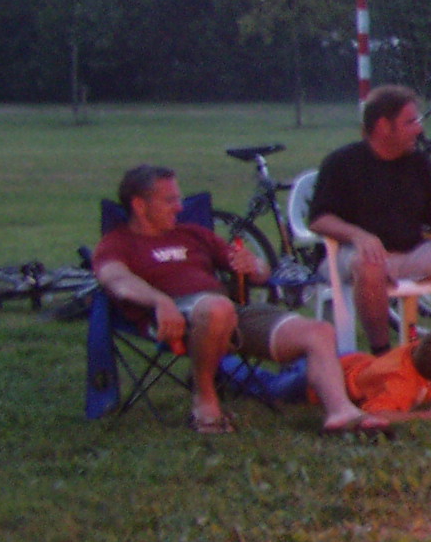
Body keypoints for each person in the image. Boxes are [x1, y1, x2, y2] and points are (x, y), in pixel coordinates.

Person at [91, 163, 389, 435]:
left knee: (319, 332)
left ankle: (339, 412)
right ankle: (205, 400)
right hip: (175, 316)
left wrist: (252, 264)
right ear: (140, 206)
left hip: (229, 313)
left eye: (179, 199)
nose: (179, 207)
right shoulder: (117, 243)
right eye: (169, 201)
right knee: (217, 307)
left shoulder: (193, 234)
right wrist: (160, 302)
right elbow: (116, 280)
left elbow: (260, 272)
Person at [307, 85, 431, 378]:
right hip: (350, 255)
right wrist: (358, 236)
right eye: (411, 122)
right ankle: (384, 355)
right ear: (384, 126)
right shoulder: (343, 163)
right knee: (369, 263)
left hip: (411, 250)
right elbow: (319, 219)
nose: (419, 130)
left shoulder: (418, 162)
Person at [342, 325, 431, 423]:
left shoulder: (429, 355)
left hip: (361, 362)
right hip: (341, 373)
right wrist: (430, 415)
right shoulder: (400, 382)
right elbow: (376, 415)